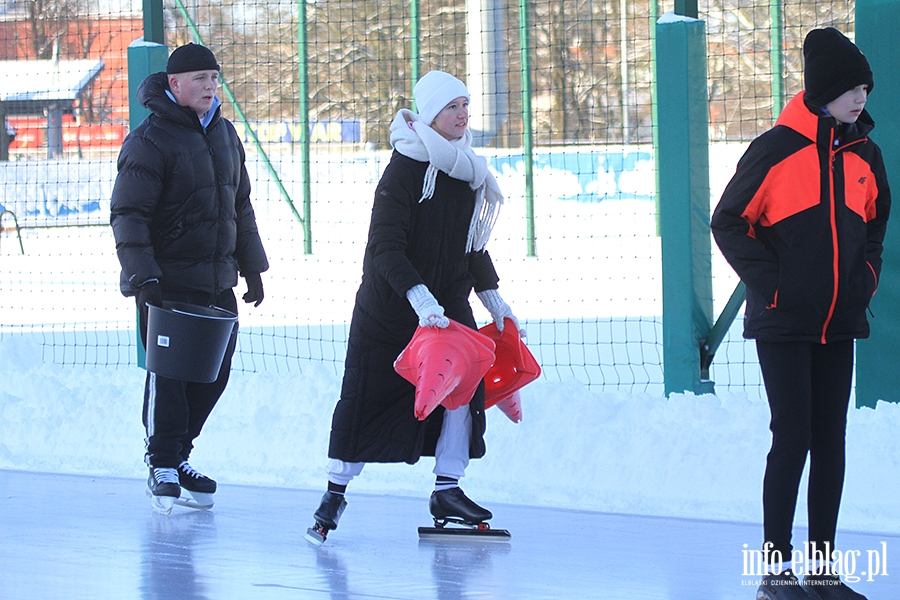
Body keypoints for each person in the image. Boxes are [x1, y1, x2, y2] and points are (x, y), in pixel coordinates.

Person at [305, 70, 521, 545]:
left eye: (466, 105)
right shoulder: (404, 168)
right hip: (391, 310)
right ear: (429, 115)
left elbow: (471, 247)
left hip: (447, 308)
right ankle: (334, 493)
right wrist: (418, 298)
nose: (463, 115)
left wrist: (494, 300)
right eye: (452, 108)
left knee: (463, 393)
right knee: (367, 399)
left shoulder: (467, 172)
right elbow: (385, 248)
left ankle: (448, 489)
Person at [711, 28, 889, 600]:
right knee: (793, 438)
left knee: (830, 439)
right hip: (784, 323)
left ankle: (822, 571)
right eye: (848, 89)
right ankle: (775, 572)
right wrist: (776, 287)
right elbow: (728, 221)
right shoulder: (776, 148)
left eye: (864, 87)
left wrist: (864, 282)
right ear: (821, 91)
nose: (859, 98)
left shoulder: (866, 154)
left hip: (840, 320)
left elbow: (876, 228)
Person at [110, 43, 269, 514]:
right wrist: (144, 278)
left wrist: (253, 265)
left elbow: (240, 205)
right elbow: (128, 214)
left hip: (218, 277)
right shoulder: (150, 140)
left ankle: (180, 456)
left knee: (213, 375)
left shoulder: (225, 135)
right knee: (171, 376)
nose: (209, 87)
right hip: (169, 281)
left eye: (214, 79)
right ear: (174, 84)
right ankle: (161, 460)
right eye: (199, 79)